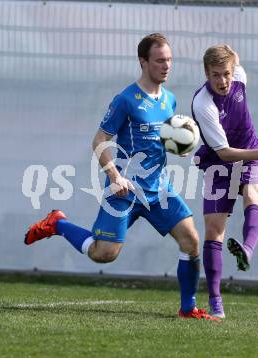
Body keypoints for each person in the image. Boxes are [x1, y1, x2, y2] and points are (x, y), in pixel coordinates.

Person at [24, 33, 218, 321]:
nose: (167, 66)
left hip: (159, 189)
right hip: (124, 190)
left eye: (169, 61)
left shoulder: (169, 99)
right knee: (104, 254)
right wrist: (114, 175)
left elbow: (161, 137)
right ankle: (58, 223)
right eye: (160, 61)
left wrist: (175, 146)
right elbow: (99, 140)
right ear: (143, 62)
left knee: (190, 240)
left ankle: (188, 309)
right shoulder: (126, 100)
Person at [191, 45, 258, 318]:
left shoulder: (239, 77)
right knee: (214, 229)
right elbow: (223, 153)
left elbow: (236, 62)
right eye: (215, 75)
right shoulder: (203, 104)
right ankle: (216, 302)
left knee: (254, 194)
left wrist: (232, 55)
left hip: (250, 153)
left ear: (234, 71)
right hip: (221, 161)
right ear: (206, 74)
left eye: (226, 74)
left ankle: (246, 249)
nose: (223, 81)